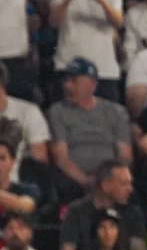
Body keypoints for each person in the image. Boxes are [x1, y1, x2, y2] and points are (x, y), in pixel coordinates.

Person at [48, 61, 133, 196]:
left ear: (93, 84)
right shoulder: (58, 111)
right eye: (66, 81)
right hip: (74, 179)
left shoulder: (116, 111)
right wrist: (86, 181)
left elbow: (124, 155)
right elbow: (61, 158)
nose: (67, 86)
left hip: (110, 177)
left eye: (74, 81)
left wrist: (110, 180)